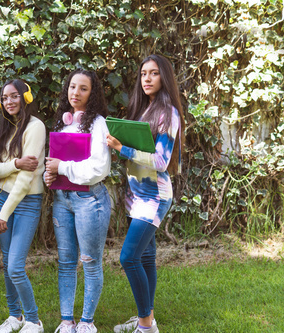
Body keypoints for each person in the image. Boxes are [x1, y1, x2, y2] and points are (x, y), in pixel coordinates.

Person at [107, 54, 185, 333]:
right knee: (146, 257)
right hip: (135, 195)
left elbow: (161, 161)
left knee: (128, 258)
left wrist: (121, 148)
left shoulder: (168, 113)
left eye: (153, 73)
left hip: (154, 197)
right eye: (143, 74)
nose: (147, 79)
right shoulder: (145, 109)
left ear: (164, 77)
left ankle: (146, 327)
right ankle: (146, 317)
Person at [44, 69, 112, 333]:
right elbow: (53, 162)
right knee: (66, 262)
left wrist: (62, 168)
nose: (76, 93)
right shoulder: (63, 122)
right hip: (62, 200)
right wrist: (49, 175)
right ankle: (66, 320)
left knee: (90, 261)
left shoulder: (98, 124)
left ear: (92, 93)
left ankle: (86, 322)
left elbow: (99, 168)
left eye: (83, 88)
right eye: (72, 87)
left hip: (88, 200)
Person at [0, 79, 46, 333]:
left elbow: (26, 180)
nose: (9, 101)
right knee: (6, 262)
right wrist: (15, 163)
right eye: (4, 98)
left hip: (25, 202)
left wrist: (4, 213)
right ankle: (15, 316)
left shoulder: (35, 127)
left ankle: (33, 320)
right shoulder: (6, 128)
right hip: (2, 196)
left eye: (14, 96)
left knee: (15, 266)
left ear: (26, 97)